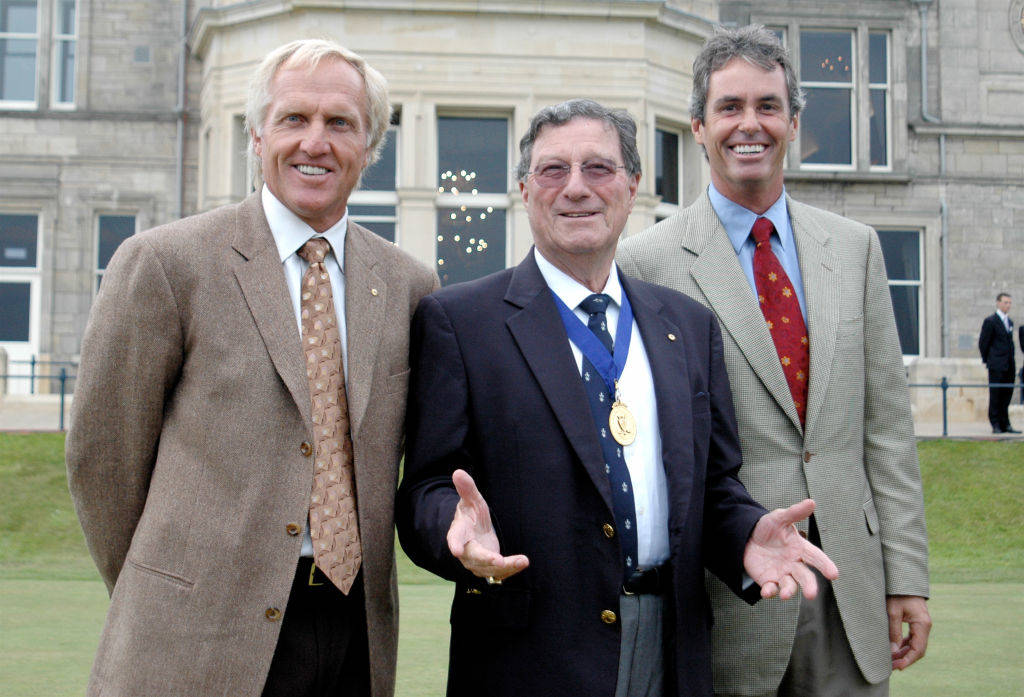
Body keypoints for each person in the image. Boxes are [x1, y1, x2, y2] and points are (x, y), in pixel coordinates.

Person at [396, 98, 838, 697]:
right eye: (554, 171)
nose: (576, 188)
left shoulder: (687, 326)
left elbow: (714, 486)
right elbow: (423, 489)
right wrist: (453, 528)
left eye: (598, 169)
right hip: (528, 657)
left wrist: (744, 535)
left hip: (672, 645)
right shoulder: (460, 321)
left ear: (632, 188)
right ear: (526, 190)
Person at [66, 39, 438, 697]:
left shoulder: (410, 285)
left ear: (370, 145)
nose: (314, 142)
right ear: (258, 133)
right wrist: (167, 584)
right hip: (196, 635)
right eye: (295, 118)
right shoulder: (165, 264)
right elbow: (104, 460)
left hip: (354, 633)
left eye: (340, 123)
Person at [617, 25, 930, 697]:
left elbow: (887, 431)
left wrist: (906, 574)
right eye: (729, 107)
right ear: (698, 125)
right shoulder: (646, 264)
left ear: (792, 121)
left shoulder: (856, 248)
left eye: (767, 106)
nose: (749, 124)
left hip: (850, 588)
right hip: (726, 594)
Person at [979, 293, 1019, 433]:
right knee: (995, 395)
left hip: (1009, 365)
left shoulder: (1010, 322)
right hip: (996, 364)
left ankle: (1005, 423)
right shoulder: (991, 321)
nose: (1008, 305)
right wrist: (988, 360)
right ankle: (995, 423)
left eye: (1009, 303)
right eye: (1005, 302)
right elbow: (984, 343)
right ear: (998, 303)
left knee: (1006, 394)